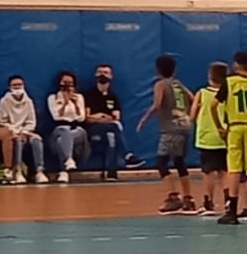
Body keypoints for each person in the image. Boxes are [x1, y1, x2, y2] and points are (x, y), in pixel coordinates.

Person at [135, 55, 197, 214]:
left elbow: (157, 104)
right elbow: (194, 99)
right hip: (184, 126)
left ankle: (173, 197)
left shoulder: (161, 84)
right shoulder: (178, 84)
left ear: (157, 70)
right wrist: (189, 116)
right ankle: (188, 199)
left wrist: (144, 119)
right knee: (179, 162)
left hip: (171, 128)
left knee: (161, 162)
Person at [214, 51, 247, 225]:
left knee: (234, 169)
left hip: (235, 126)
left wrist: (219, 126)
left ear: (236, 64)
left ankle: (232, 212)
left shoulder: (229, 81)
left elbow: (213, 105)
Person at [83, 64, 144, 178]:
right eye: (100, 72)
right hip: (92, 129)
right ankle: (127, 156)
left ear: (111, 76)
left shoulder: (113, 97)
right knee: (114, 127)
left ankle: (112, 173)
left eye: (105, 72)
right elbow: (87, 118)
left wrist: (100, 117)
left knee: (111, 135)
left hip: (109, 128)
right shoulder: (88, 95)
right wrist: (104, 118)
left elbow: (116, 117)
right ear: (95, 75)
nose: (102, 75)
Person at [191, 62, 228, 214]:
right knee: (225, 171)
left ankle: (208, 202)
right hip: (225, 136)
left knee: (208, 172)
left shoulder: (202, 93)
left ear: (210, 76)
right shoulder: (228, 93)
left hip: (207, 137)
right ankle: (228, 200)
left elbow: (192, 115)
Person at [0, 75, 46, 183]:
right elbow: (3, 122)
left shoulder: (29, 101)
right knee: (18, 141)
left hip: (26, 132)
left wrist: (25, 132)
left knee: (37, 140)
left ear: (24, 85)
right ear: (10, 87)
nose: (17, 87)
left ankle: (39, 171)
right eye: (14, 85)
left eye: (19, 84)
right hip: (12, 132)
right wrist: (17, 132)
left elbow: (32, 121)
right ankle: (18, 171)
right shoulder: (4, 101)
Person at [47, 71, 89, 184]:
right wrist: (65, 102)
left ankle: (64, 170)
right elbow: (56, 116)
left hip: (76, 129)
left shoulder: (79, 97)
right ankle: (69, 160)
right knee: (64, 132)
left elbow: (81, 118)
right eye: (65, 82)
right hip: (60, 128)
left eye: (70, 83)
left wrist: (75, 104)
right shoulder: (53, 97)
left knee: (61, 141)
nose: (67, 86)